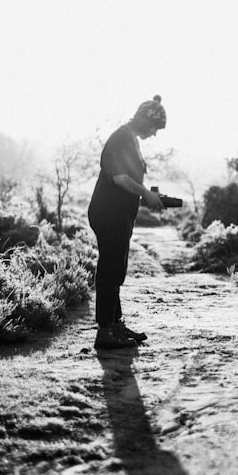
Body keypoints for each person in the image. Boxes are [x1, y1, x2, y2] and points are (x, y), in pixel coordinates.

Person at [87, 95, 167, 349]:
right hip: (108, 213)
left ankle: (116, 324)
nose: (154, 134)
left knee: (117, 268)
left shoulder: (130, 139)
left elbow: (126, 183)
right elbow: (121, 178)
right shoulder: (122, 137)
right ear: (145, 122)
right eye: (155, 128)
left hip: (118, 214)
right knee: (111, 268)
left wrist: (148, 195)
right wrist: (147, 193)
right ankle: (106, 331)